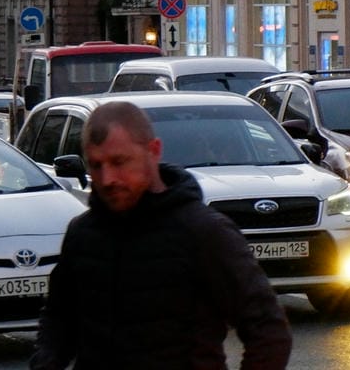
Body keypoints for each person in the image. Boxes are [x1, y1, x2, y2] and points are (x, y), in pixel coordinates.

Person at [30, 101, 290, 370]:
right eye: (96, 165)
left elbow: (268, 332)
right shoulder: (82, 233)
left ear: (153, 151)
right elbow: (58, 319)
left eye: (119, 162)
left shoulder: (204, 232)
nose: (107, 178)